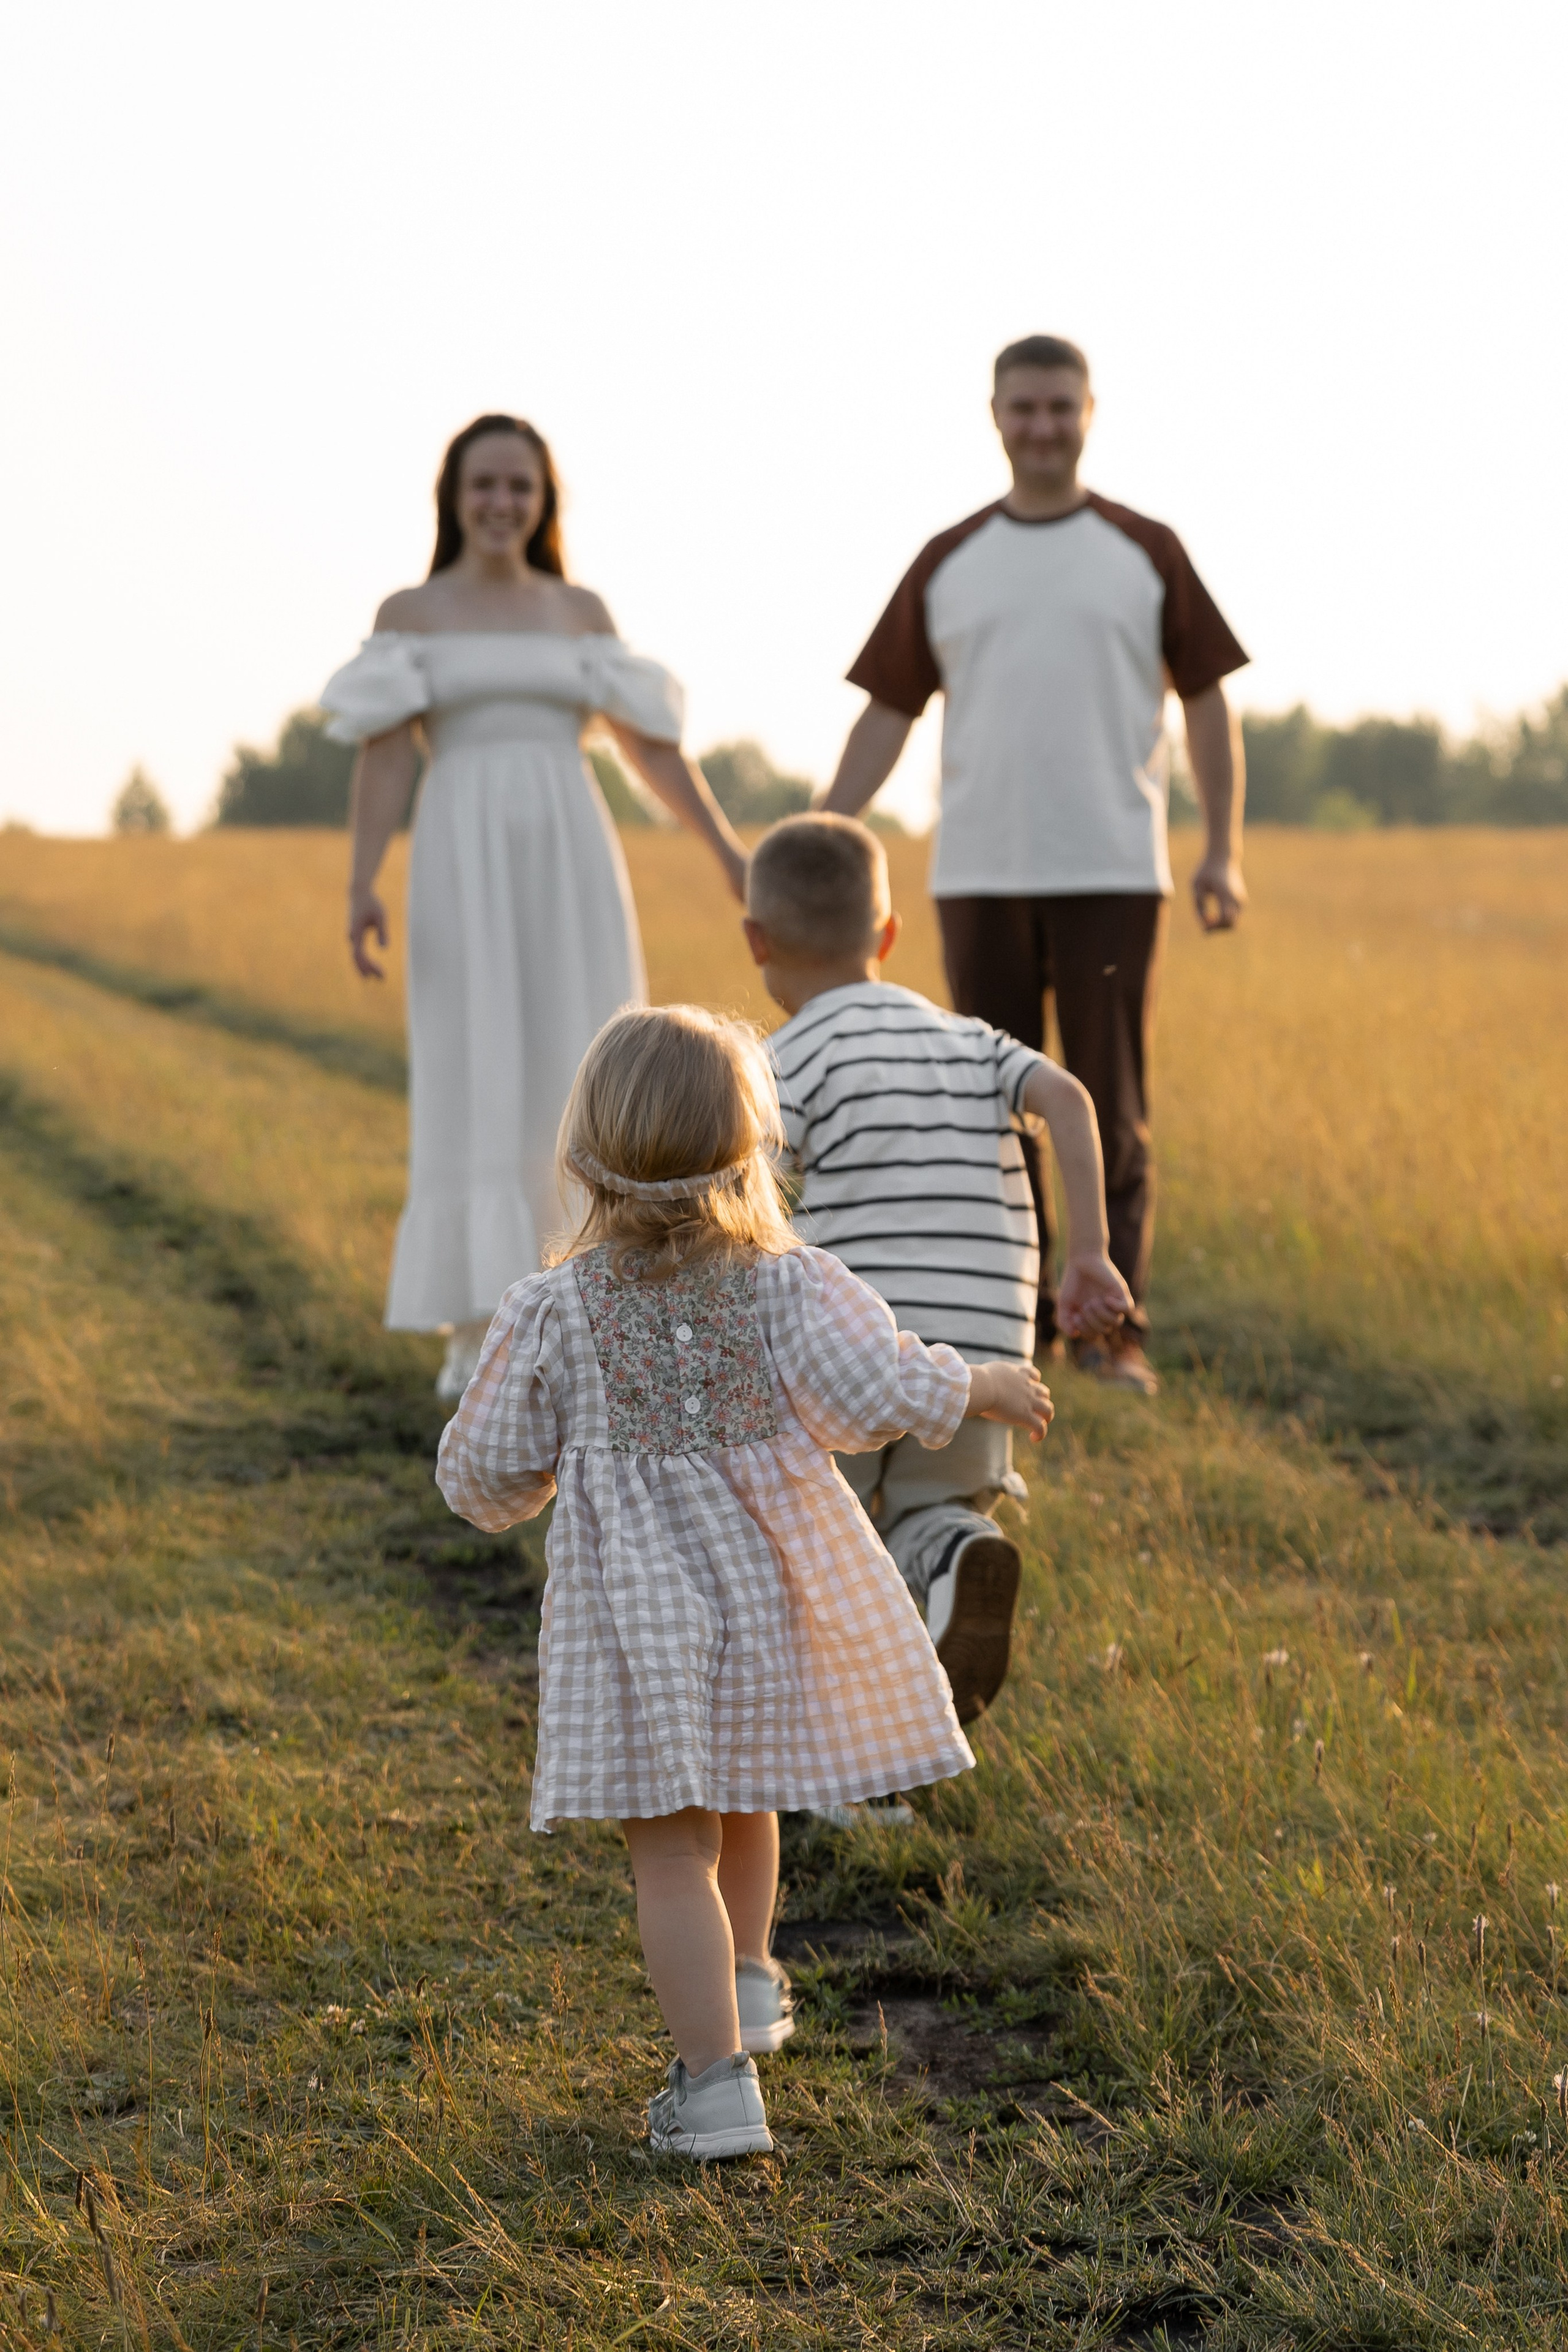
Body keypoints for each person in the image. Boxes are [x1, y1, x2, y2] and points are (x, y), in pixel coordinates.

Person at [435, 1003, 1051, 2158]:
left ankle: (714, 2087)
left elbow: (479, 1475)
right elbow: (873, 1391)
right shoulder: (788, 1286)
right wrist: (979, 1386)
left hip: (639, 1624)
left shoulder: (554, 1311)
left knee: (672, 1848)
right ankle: (755, 1983)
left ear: (581, 1157)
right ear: (753, 1149)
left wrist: (521, 1480)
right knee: (750, 1784)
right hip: (770, 1591)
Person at [821, 336, 1249, 1395]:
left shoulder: (1145, 549)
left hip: (1111, 867)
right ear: (995, 414)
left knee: (1108, 1104)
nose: (1042, 426)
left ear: (1090, 412)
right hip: (978, 872)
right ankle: (1016, 1330)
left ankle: (1110, 1333)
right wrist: (824, 830)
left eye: (1060, 407)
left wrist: (1223, 850)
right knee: (991, 1105)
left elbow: (1206, 703)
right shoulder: (949, 557)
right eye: (1024, 408)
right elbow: (889, 710)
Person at [322, 413, 748, 1396]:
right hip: (460, 851)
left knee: (583, 1056)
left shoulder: (579, 610)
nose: (502, 503)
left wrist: (727, 850)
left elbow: (649, 748)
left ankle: (597, 1301)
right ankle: (479, 1330)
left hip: (570, 849)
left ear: (545, 499)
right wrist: (360, 882)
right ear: (453, 497)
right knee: (474, 1063)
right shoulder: (411, 612)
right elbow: (385, 753)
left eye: (521, 486)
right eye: (484, 486)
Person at [750, 815, 1131, 1725]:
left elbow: (750, 1193)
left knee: (826, 1542)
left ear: (756, 942)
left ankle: (846, 1769)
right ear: (886, 936)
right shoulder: (971, 1041)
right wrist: (1088, 1254)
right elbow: (1069, 1098)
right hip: (983, 1353)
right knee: (933, 1507)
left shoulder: (781, 1061)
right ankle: (960, 1553)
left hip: (856, 1352)